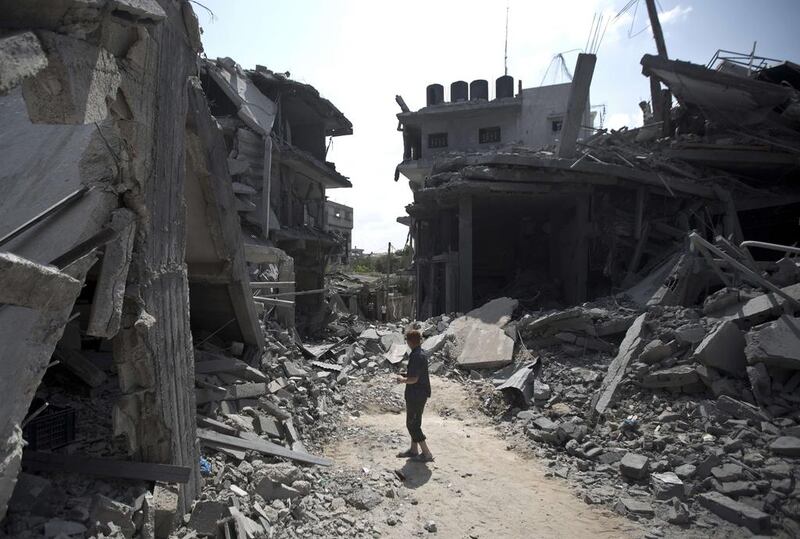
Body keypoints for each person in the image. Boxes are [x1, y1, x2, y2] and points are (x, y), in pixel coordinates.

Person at [395, 329, 434, 462]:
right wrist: (406, 375)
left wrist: (402, 379)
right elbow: (415, 375)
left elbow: (415, 379)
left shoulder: (417, 356)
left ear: (410, 342)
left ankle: (427, 453)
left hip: (417, 395)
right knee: (414, 422)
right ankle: (413, 450)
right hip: (417, 394)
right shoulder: (419, 353)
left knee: (413, 425)